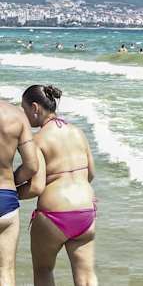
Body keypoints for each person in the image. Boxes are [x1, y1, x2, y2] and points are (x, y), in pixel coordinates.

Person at [19, 86, 95, 286]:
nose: (24, 116)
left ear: (35, 108)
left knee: (43, 271)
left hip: (54, 215)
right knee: (86, 277)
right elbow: (91, 173)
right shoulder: (78, 132)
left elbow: (36, 187)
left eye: (24, 109)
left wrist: (13, 192)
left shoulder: (37, 140)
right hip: (85, 212)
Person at [1, 99, 45, 286]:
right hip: (6, 199)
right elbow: (32, 166)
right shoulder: (17, 115)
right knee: (5, 271)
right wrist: (11, 182)